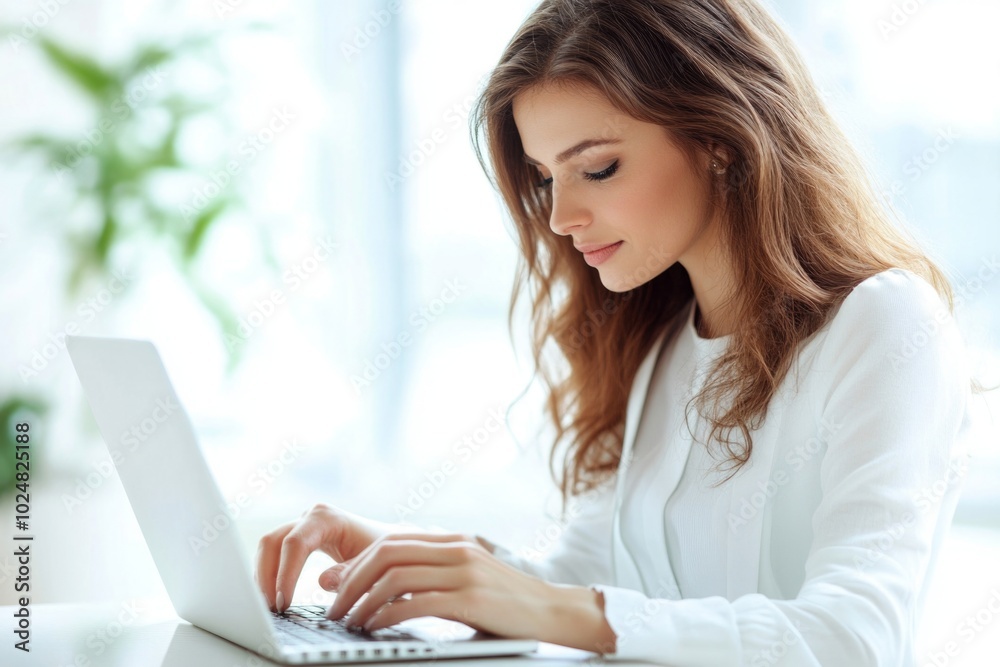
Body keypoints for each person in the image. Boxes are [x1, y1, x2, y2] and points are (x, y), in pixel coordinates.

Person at [255, 1, 990, 663]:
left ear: (721, 140)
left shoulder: (885, 324)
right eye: (546, 176)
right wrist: (407, 556)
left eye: (598, 168)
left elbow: (855, 636)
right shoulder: (660, 339)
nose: (559, 217)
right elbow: (586, 582)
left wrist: (542, 604)